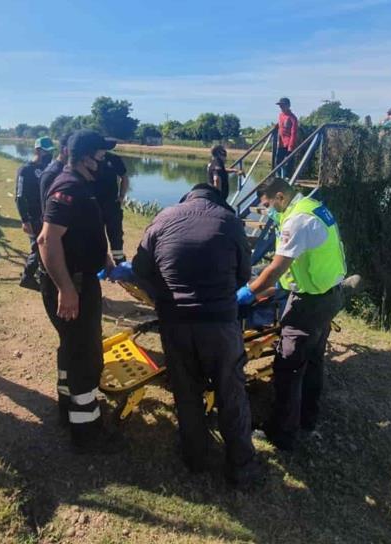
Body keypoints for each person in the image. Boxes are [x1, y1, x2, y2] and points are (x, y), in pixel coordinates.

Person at [131, 182, 262, 487]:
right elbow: (244, 275)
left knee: (186, 390)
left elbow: (140, 267)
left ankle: (195, 458)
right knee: (231, 392)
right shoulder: (230, 222)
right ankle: (242, 467)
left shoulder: (163, 218)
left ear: (186, 198)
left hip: (176, 322)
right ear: (217, 201)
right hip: (220, 323)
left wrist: (162, 295)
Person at [236, 177, 346, 450]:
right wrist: (275, 291)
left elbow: (276, 269)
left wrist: (249, 292)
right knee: (313, 361)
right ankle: (308, 418)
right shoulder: (313, 206)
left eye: (268, 204)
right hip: (328, 293)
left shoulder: (296, 220)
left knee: (288, 366)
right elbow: (298, 266)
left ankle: (282, 434)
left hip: (310, 303)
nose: (268, 210)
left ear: (281, 197)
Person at [37, 129, 121, 453]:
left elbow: (82, 231)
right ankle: (87, 432)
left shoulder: (82, 185)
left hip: (82, 279)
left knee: (72, 347)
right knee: (85, 354)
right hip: (74, 285)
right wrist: (66, 289)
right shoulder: (68, 187)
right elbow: (47, 240)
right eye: (101, 155)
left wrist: (104, 256)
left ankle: (67, 407)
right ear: (86, 157)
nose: (104, 160)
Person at [15, 136, 56, 290]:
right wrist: (25, 220)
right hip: (33, 216)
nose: (49, 155)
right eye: (46, 152)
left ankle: (37, 272)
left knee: (41, 246)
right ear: (37, 150)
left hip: (46, 214)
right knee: (38, 248)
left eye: (51, 151)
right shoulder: (25, 170)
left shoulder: (49, 168)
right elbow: (19, 196)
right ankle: (27, 278)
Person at [94, 147, 129, 264]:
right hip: (94, 206)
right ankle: (99, 262)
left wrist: (121, 196)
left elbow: (124, 177)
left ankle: (120, 262)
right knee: (95, 235)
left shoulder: (113, 158)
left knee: (116, 235)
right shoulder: (88, 158)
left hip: (112, 204)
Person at [39, 133, 70, 202]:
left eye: (51, 151)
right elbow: (46, 207)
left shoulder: (69, 170)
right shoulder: (50, 174)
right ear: (66, 150)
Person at [275, 97, 300, 178]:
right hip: (281, 143)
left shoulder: (293, 118)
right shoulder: (280, 116)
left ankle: (288, 178)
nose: (281, 107)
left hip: (289, 143)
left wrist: (291, 146)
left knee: (289, 162)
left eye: (282, 105)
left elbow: (294, 132)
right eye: (280, 105)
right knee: (278, 161)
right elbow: (279, 126)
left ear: (288, 106)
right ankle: (279, 177)